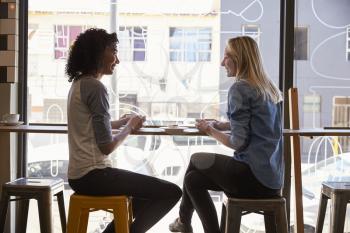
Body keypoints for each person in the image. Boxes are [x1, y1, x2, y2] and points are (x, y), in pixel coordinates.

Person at [66, 28, 182, 233]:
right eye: (113, 52)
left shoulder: (78, 84)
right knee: (171, 192)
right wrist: (130, 127)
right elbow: (106, 147)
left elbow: (87, 127)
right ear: (98, 53)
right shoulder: (96, 88)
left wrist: (117, 123)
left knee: (146, 194)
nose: (117, 60)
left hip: (78, 176)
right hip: (95, 175)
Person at [169, 36, 284, 233]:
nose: (222, 63)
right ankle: (185, 222)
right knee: (192, 180)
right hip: (272, 181)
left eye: (226, 57)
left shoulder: (240, 88)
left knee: (196, 159)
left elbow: (237, 142)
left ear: (239, 59)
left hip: (251, 175)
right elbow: (258, 127)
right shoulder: (270, 89)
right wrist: (222, 124)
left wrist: (210, 130)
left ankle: (184, 222)